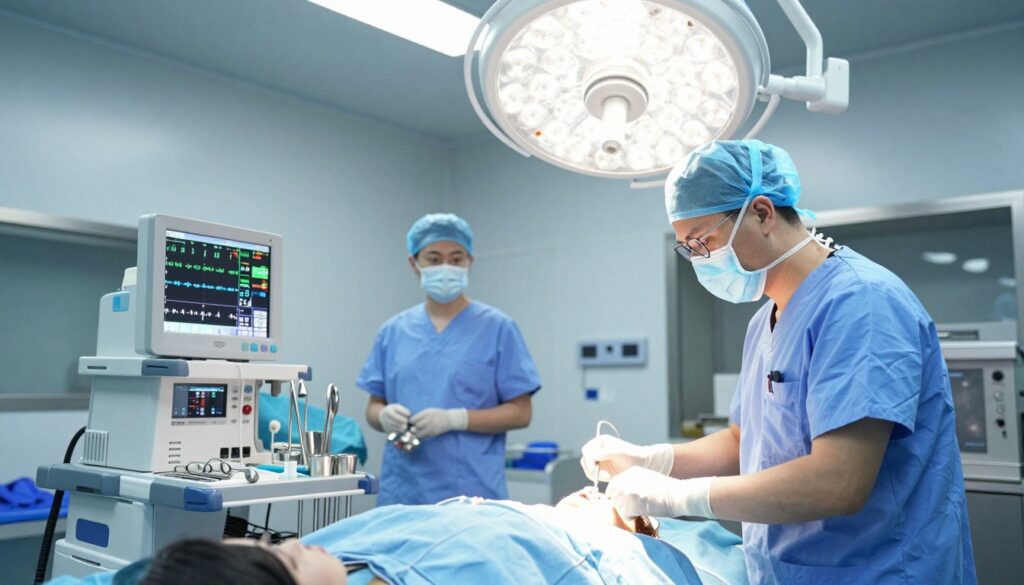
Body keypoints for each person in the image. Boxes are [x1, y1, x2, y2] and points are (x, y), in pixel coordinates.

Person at [581, 140, 976, 583]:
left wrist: (678, 498)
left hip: (877, 570)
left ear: (763, 213)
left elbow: (838, 481)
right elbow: (743, 441)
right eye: (687, 248)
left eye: (704, 241)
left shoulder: (861, 303)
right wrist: (652, 459)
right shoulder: (765, 320)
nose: (700, 259)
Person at [111, 491, 695, 585]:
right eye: (280, 561)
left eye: (267, 542)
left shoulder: (333, 552)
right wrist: (605, 531)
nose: (290, 541)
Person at [357, 213, 541, 505]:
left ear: (470, 262)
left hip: (473, 492)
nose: (446, 267)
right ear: (414, 264)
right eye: (433, 258)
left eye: (456, 259)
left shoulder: (497, 328)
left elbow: (520, 412)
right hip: (404, 491)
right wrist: (383, 415)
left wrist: (455, 419)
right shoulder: (393, 331)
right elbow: (372, 407)